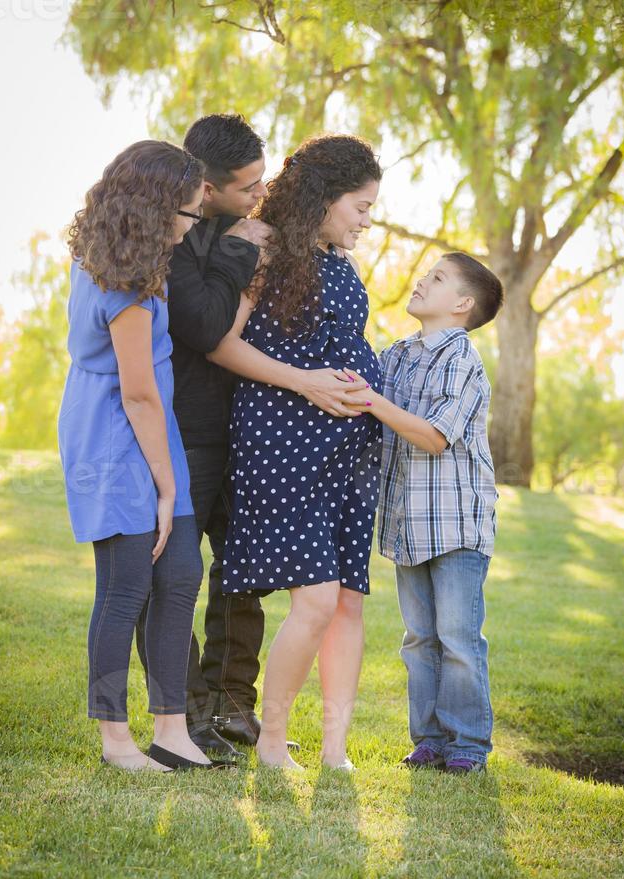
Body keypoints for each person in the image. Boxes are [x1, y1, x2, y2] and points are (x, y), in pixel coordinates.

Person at [136, 115, 369, 759]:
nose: (261, 196)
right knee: (174, 574)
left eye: (265, 182)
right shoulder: (178, 241)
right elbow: (210, 333)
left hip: (251, 430)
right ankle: (177, 717)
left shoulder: (272, 238)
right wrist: (244, 248)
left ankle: (230, 705)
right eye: (248, 186)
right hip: (188, 429)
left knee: (242, 578)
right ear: (207, 189)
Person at [58, 140, 234, 772]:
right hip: (117, 439)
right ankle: (115, 739)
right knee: (126, 586)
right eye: (188, 216)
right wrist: (165, 486)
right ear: (158, 208)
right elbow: (136, 392)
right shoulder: (126, 279)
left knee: (181, 571)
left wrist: (168, 478)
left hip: (155, 437)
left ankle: (172, 731)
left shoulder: (133, 258)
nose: (191, 230)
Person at [208, 134, 383, 770]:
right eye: (360, 207)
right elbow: (223, 345)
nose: (367, 220)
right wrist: (306, 382)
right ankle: (273, 740)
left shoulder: (339, 260)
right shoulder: (263, 248)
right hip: (284, 440)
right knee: (313, 600)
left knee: (346, 602)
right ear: (325, 196)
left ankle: (335, 745)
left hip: (346, 448)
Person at [350, 252, 503, 773]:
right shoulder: (399, 354)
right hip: (407, 522)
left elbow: (434, 436)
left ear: (461, 304)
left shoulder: (462, 360)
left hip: (455, 523)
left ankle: (466, 746)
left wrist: (370, 400)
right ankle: (430, 739)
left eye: (436, 279)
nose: (421, 280)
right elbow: (371, 406)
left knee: (458, 638)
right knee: (419, 639)